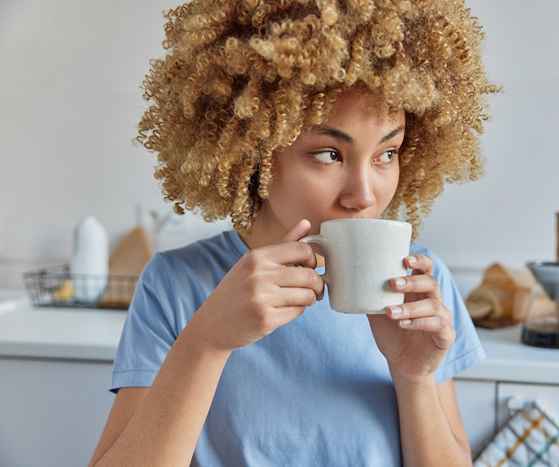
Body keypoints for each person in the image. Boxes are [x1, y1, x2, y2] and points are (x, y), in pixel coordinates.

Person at [89, 1, 498, 466]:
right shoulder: (177, 285)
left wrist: (414, 377)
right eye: (328, 154)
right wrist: (206, 342)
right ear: (253, 149)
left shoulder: (420, 284)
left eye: (388, 153)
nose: (364, 194)